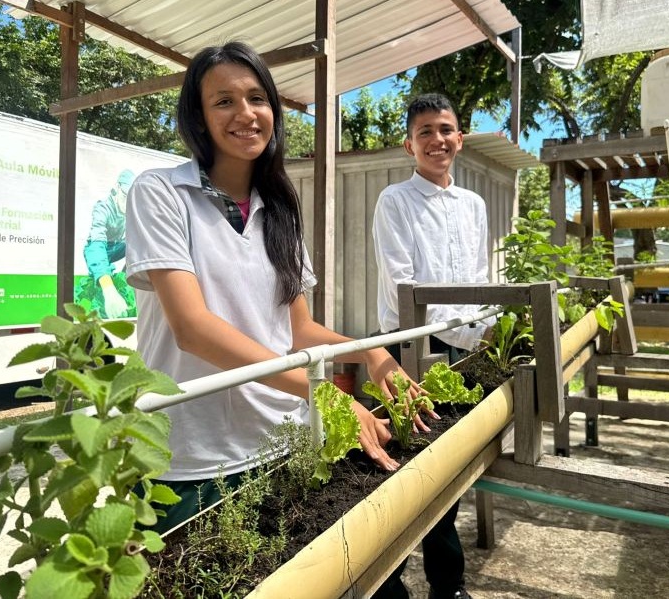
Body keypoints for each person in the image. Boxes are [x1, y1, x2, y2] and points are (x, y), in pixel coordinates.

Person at [125, 41, 421, 535]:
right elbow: (192, 329)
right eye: (223, 101)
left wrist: (370, 354)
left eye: (257, 98)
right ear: (198, 117)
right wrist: (322, 393)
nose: (246, 113)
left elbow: (297, 330)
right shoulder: (161, 193)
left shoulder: (279, 208)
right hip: (191, 457)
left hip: (281, 442)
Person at [372, 93, 494, 599]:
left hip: (466, 350)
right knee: (408, 467)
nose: (436, 140)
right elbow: (405, 289)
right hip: (411, 350)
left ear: (459, 139)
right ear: (409, 144)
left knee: (451, 470)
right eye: (425, 131)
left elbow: (481, 279)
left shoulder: (475, 204)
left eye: (445, 129)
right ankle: (392, 584)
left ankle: (449, 584)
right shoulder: (394, 201)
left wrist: (483, 331)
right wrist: (466, 329)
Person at [81, 169, 136, 318]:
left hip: (116, 247)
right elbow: (97, 239)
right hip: (98, 247)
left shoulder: (131, 210)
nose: (127, 203)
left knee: (137, 242)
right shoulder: (103, 207)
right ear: (118, 188)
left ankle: (126, 281)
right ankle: (107, 287)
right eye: (125, 196)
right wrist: (109, 289)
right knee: (95, 246)